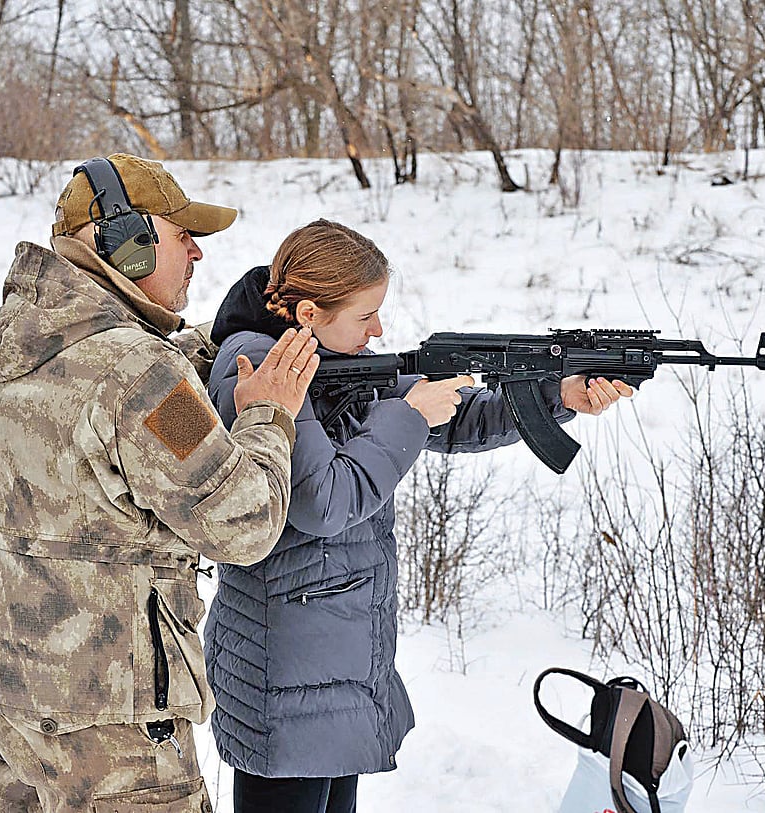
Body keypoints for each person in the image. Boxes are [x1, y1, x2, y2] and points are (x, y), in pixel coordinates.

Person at [201, 219, 632, 813]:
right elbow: (326, 500)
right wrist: (407, 414)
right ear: (307, 313)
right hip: (287, 662)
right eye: (365, 316)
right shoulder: (258, 368)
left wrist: (558, 396)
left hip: (339, 652)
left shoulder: (339, 357)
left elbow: (454, 418)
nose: (379, 329)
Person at [0, 153, 321, 812]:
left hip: (15, 711)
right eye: (182, 233)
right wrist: (270, 413)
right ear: (124, 242)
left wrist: (202, 349)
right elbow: (243, 521)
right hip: (117, 743)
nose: (196, 253)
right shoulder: (138, 373)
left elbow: (106, 419)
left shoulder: (16, 342)